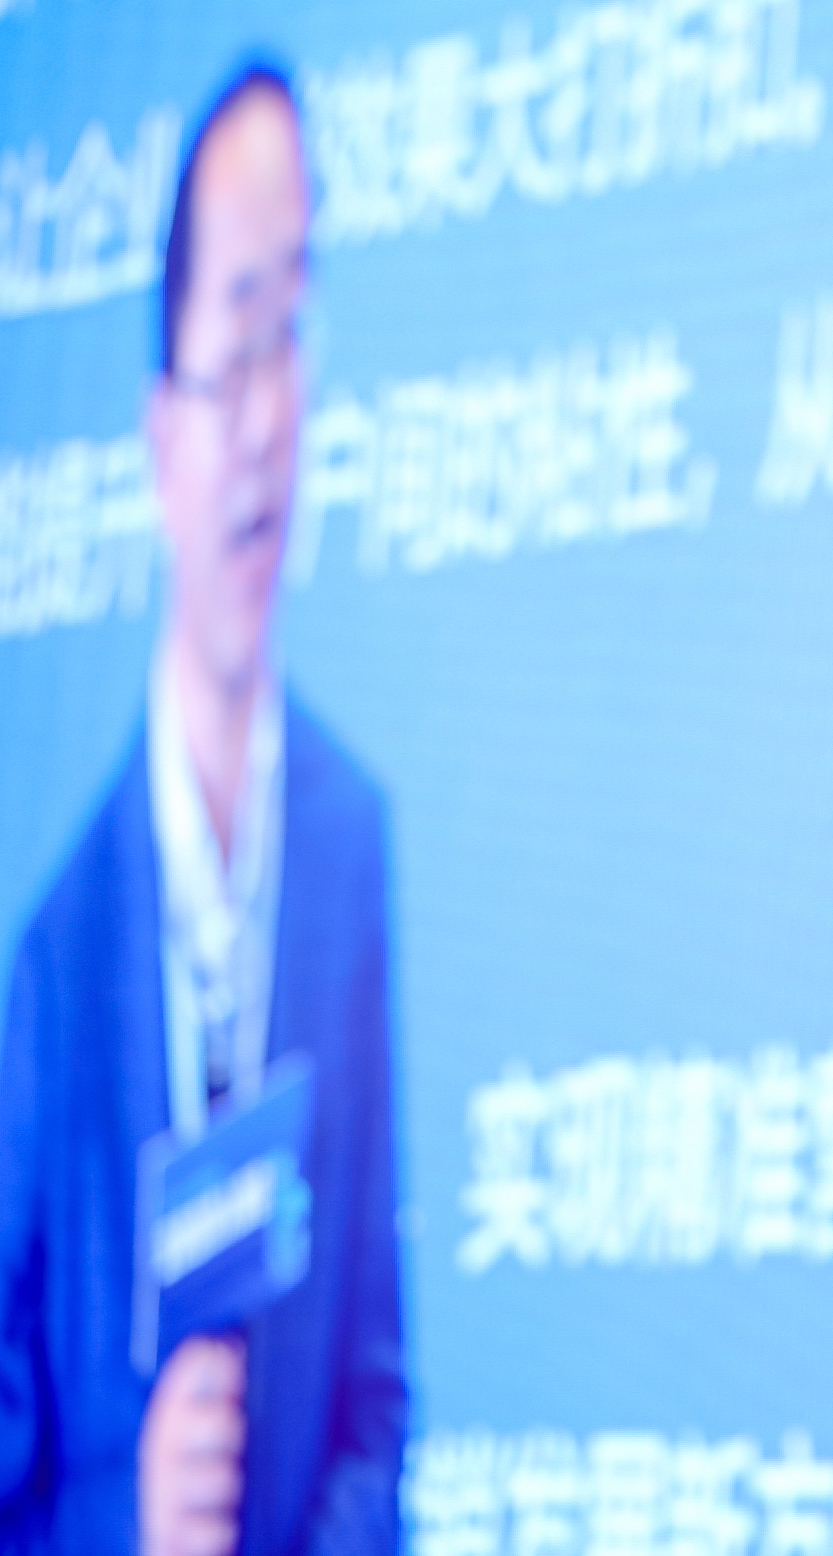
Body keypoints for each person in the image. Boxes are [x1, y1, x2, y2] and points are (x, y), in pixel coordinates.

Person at [0, 63, 406, 1556]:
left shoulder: (349, 839)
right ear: (161, 430)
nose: (265, 418)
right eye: (234, 351)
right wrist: (129, 1518)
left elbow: (374, 1397)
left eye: (290, 337)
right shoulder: (55, 950)